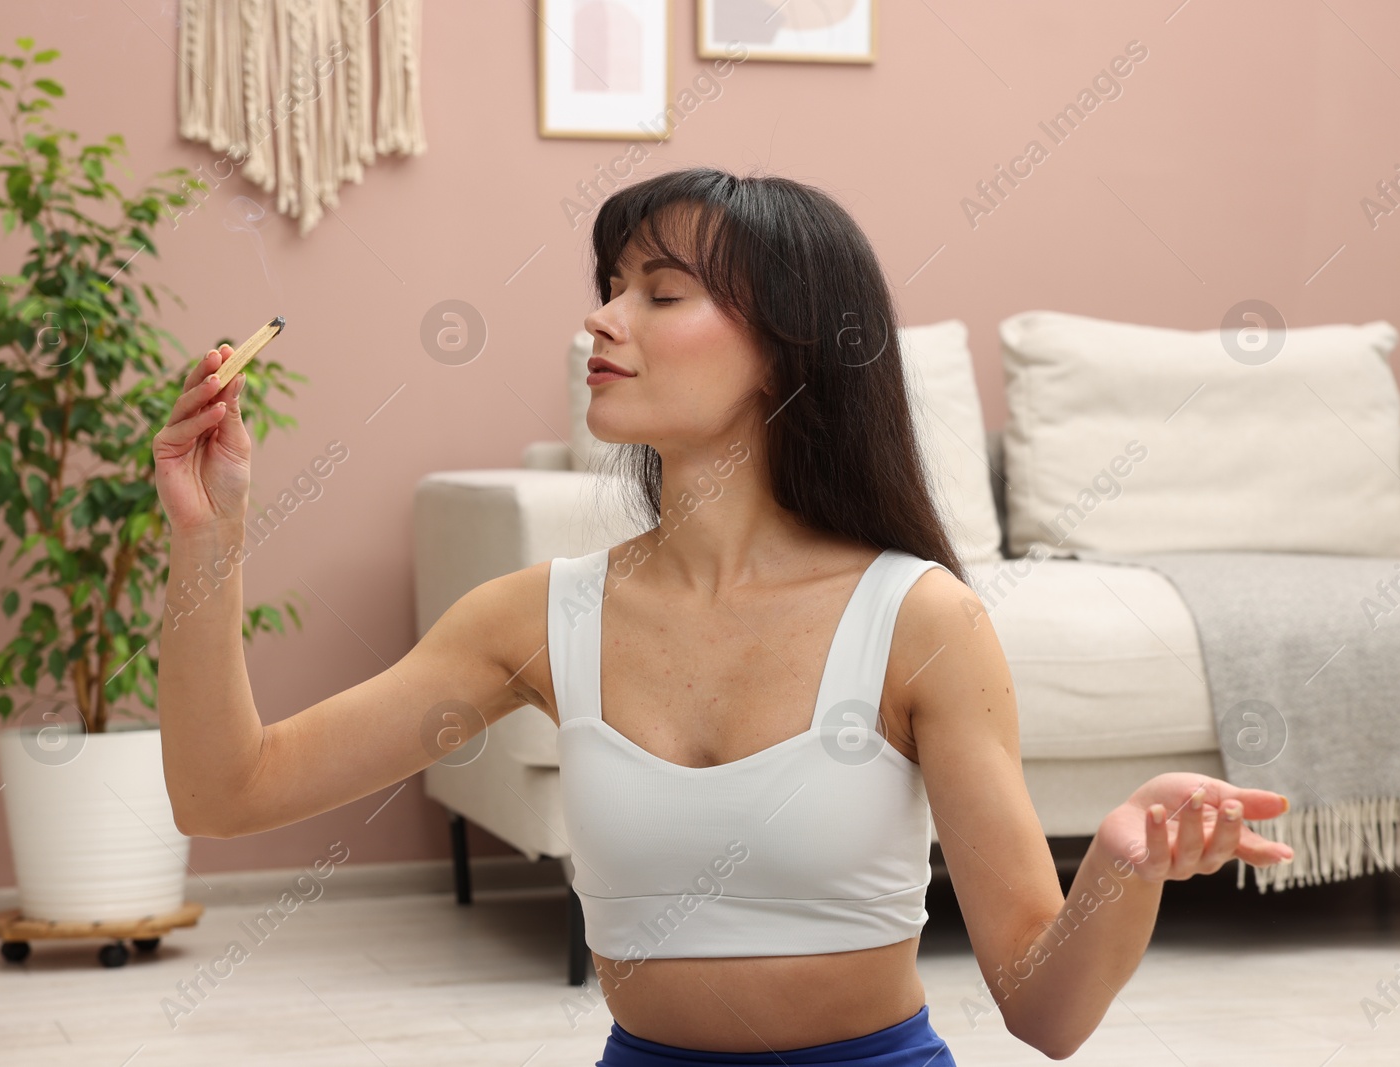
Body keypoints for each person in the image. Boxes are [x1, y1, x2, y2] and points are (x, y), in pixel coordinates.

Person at [153, 166, 1296, 1065]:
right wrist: (208, 543)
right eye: (607, 289)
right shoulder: (535, 617)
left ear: (783, 349)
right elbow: (228, 790)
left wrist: (1118, 865)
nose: (602, 323)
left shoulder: (920, 619)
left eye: (658, 294)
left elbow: (1043, 1014)